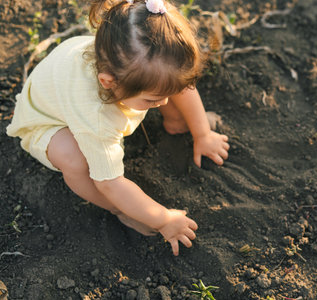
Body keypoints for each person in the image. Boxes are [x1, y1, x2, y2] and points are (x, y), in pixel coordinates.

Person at [6, 0, 230, 256]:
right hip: (46, 122)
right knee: (76, 160)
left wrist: (202, 133)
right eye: (152, 100)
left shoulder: (129, 58)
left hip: (73, 90)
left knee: (168, 82)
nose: (164, 102)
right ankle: (120, 211)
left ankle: (177, 124)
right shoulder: (98, 119)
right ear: (108, 82)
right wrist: (163, 219)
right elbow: (109, 183)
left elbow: (177, 87)